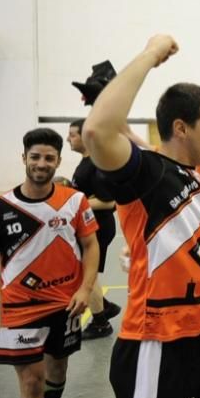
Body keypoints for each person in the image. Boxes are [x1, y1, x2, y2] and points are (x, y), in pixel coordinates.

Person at [83, 35, 200, 398]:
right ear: (182, 128)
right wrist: (149, 55)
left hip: (197, 340)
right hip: (156, 345)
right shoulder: (148, 173)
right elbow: (98, 132)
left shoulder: (196, 178)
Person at [0, 128, 100, 398]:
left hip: (65, 306)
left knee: (57, 373)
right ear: (24, 159)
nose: (41, 163)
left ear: (58, 162)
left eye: (49, 157)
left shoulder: (74, 201)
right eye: (35, 156)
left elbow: (91, 246)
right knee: (31, 383)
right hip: (20, 310)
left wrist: (85, 288)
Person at [67, 119, 122, 338]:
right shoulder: (85, 163)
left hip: (98, 226)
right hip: (89, 225)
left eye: (72, 134)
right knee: (84, 271)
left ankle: (100, 323)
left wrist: (73, 205)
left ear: (86, 137)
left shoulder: (97, 166)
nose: (68, 139)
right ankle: (104, 306)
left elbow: (108, 201)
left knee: (86, 273)